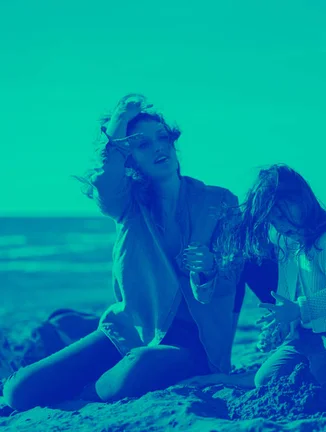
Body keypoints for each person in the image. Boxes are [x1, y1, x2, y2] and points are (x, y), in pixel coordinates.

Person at [2, 94, 272, 411]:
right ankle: (83, 352)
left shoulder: (219, 201)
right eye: (142, 144)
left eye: (163, 138)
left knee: (139, 365)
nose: (159, 147)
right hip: (131, 329)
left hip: (195, 345)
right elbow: (104, 181)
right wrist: (117, 123)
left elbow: (236, 272)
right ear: (128, 158)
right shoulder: (127, 205)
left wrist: (211, 267)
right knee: (19, 392)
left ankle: (88, 387)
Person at [222, 165, 326, 398]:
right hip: (305, 336)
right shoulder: (288, 243)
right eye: (272, 221)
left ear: (301, 200)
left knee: (314, 389)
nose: (279, 225)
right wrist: (280, 324)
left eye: (281, 215)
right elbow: (286, 291)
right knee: (265, 380)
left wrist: (299, 309)